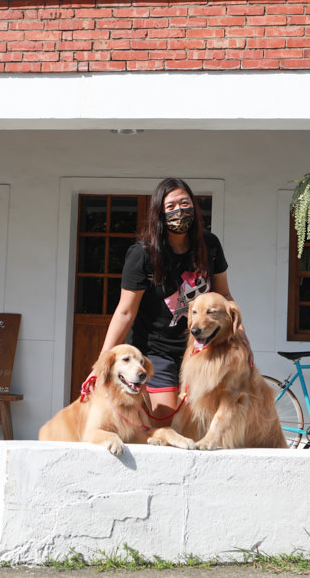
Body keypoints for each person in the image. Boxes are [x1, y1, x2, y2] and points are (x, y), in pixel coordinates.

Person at [99, 177, 250, 424]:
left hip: (201, 350)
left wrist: (241, 334)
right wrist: (103, 361)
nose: (179, 211)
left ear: (194, 206)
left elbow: (224, 295)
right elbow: (126, 312)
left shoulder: (209, 245)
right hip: (157, 351)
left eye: (184, 203)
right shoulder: (143, 254)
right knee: (165, 422)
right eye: (170, 207)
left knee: (200, 423)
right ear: (158, 213)